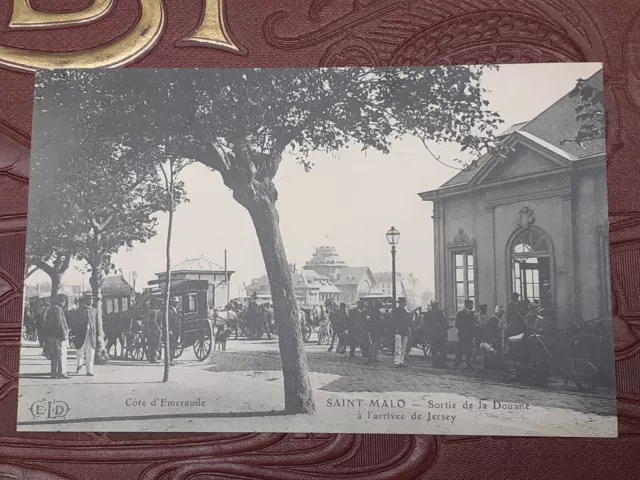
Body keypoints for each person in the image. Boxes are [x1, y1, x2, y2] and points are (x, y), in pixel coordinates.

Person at [43, 294, 70, 379]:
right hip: (59, 336)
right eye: (63, 300)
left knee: (54, 355)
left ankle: (53, 373)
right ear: (60, 301)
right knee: (61, 354)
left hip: (52, 335)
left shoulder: (51, 308)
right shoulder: (58, 309)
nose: (64, 302)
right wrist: (64, 335)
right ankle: (61, 372)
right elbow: (59, 323)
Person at [74, 296, 101, 376]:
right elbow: (75, 323)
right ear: (85, 301)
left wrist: (98, 335)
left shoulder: (94, 311)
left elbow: (97, 324)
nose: (91, 301)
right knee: (80, 350)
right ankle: (79, 363)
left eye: (92, 299)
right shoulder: (79, 311)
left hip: (91, 333)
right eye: (89, 299)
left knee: (91, 351)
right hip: (81, 333)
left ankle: (89, 370)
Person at [454, 299, 476, 369]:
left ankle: (468, 364)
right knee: (460, 350)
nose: (472, 306)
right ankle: (456, 364)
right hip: (463, 335)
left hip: (470, 335)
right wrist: (464, 328)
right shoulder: (461, 313)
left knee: (469, 351)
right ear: (468, 305)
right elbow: (457, 325)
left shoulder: (472, 314)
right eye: (471, 304)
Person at [426, 301, 450, 368]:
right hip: (440, 333)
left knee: (434, 349)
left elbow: (426, 324)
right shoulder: (440, 313)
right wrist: (447, 327)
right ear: (437, 306)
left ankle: (435, 363)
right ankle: (442, 363)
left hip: (432, 334)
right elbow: (443, 322)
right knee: (443, 349)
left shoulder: (428, 314)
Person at [391, 298, 411, 367]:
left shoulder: (403, 311)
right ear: (400, 303)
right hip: (398, 330)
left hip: (403, 331)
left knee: (403, 347)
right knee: (398, 347)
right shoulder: (396, 311)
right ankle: (397, 361)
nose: (404, 304)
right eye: (403, 302)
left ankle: (401, 361)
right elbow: (393, 321)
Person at [146, 298, 162, 363]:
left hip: (154, 329)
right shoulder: (154, 311)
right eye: (160, 304)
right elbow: (153, 321)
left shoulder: (156, 311)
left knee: (155, 344)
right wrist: (158, 328)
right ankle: (153, 358)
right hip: (154, 330)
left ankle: (154, 357)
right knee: (155, 344)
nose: (161, 305)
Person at [168, 297, 182, 366]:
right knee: (171, 345)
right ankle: (169, 360)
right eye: (175, 303)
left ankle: (171, 359)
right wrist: (169, 330)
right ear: (172, 303)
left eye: (177, 303)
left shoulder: (176, 310)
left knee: (174, 345)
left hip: (177, 330)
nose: (176, 304)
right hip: (172, 330)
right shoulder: (170, 311)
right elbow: (168, 322)